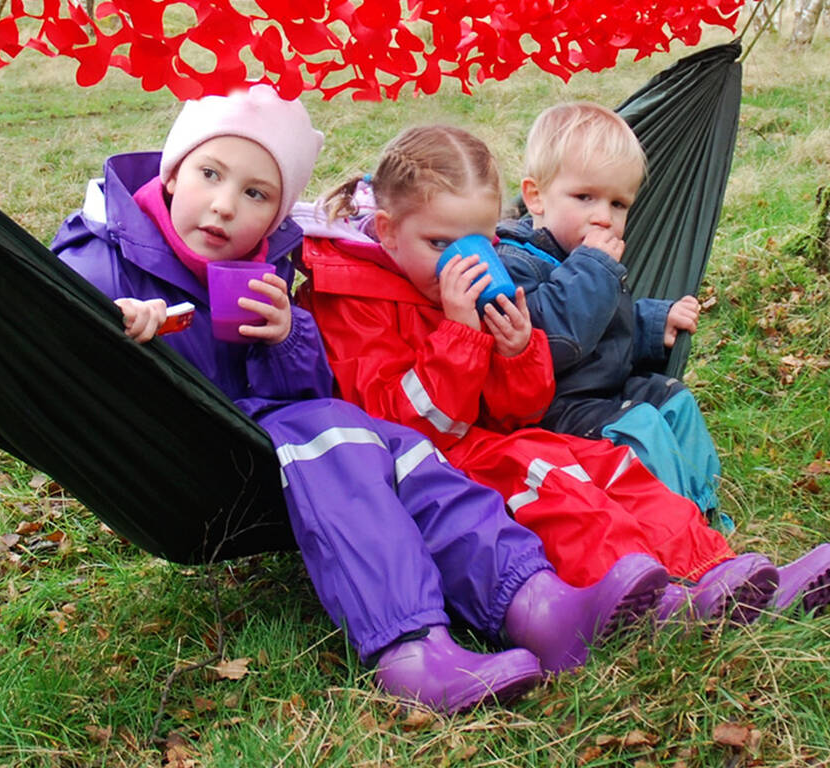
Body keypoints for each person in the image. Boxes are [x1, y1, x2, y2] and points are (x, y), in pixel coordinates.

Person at [50, 86, 672, 713]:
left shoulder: (269, 264)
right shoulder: (105, 248)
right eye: (210, 175)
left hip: (261, 432)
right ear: (175, 171)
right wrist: (110, 317)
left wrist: (287, 335)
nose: (223, 206)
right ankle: (410, 646)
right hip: (174, 442)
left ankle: (533, 602)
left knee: (408, 453)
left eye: (256, 194)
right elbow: (49, 324)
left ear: (275, 213)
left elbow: (304, 387)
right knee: (335, 433)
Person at [295, 123, 830, 623]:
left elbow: (519, 408)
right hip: (431, 459)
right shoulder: (350, 295)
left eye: (482, 241)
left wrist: (516, 350)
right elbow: (405, 426)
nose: (460, 262)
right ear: (387, 231)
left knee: (614, 465)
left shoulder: (463, 281)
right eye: (440, 245)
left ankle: (720, 571)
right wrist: (458, 337)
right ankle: (655, 595)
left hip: (497, 435)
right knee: (554, 483)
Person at [495, 101, 721, 519]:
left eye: (619, 204)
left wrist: (653, 324)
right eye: (585, 197)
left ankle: (704, 512)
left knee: (675, 401)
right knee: (644, 427)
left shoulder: (587, 255)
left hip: (604, 392)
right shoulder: (514, 263)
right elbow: (558, 343)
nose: (604, 217)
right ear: (536, 197)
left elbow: (608, 327)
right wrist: (593, 268)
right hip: (553, 412)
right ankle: (676, 530)